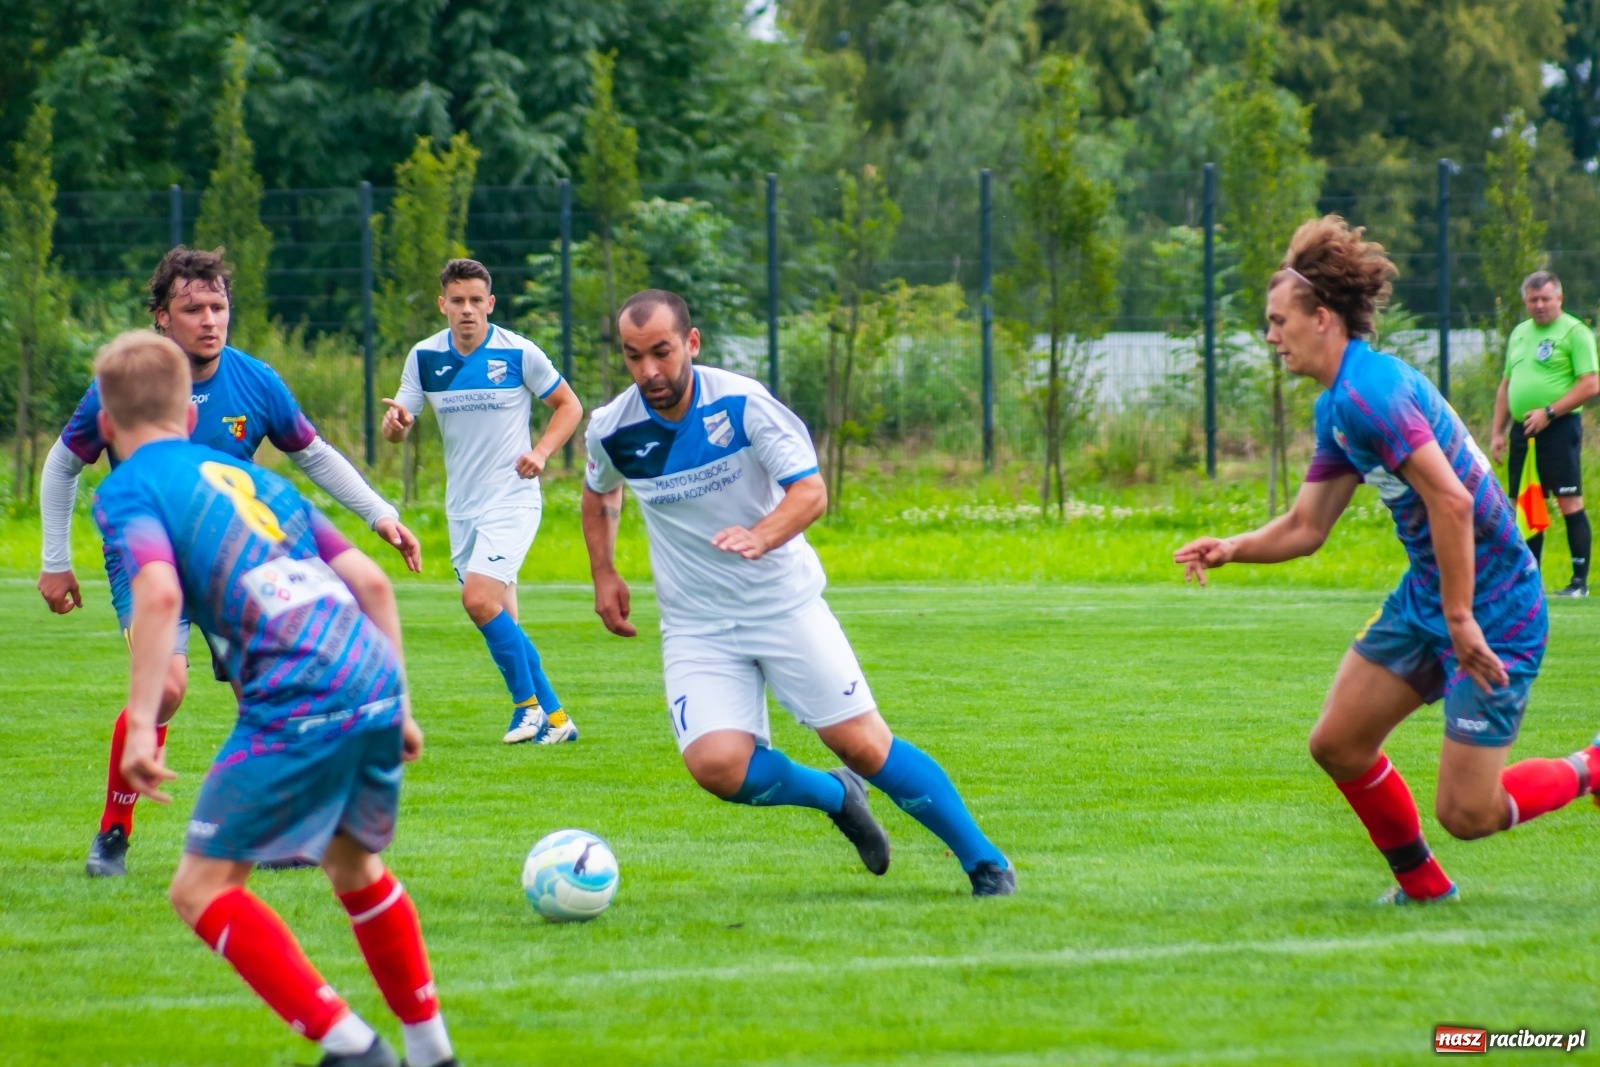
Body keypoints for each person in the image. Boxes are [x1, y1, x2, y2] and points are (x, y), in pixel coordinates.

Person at [1175, 217, 1600, 905]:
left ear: (1324, 317)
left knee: (1469, 814)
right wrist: (1233, 549)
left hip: (1494, 605)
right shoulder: (1338, 406)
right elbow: (1308, 525)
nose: (1271, 336)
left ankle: (1592, 768)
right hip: (1429, 594)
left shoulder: (1372, 392)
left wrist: (1462, 619)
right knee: (1338, 741)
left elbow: (1454, 502)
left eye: (1278, 321)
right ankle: (1423, 888)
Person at [91, 331, 454, 1067]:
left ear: (106, 424)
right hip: (369, 673)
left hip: (292, 695)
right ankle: (431, 1051)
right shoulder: (258, 480)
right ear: (188, 417)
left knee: (199, 888)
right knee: (354, 866)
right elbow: (374, 583)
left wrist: (139, 732)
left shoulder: (128, 486)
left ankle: (352, 1046)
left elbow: (158, 593)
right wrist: (403, 706)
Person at [581, 289, 1013, 897]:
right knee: (716, 768)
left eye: (662, 352)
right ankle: (836, 796)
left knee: (863, 744)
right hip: (696, 624)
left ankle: (985, 862)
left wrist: (761, 536)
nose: (649, 371)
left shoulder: (742, 404)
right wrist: (605, 573)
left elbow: (810, 492)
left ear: (692, 343)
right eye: (633, 356)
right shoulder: (612, 428)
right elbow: (600, 494)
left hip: (782, 607)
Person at [39, 247, 421, 879]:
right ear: (163, 318)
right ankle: (114, 831)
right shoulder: (134, 383)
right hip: (149, 557)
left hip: (237, 557)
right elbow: (61, 462)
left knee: (268, 686)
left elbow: (314, 454)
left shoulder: (255, 379)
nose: (210, 320)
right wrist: (56, 560)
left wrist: (379, 512)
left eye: (219, 306)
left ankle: (277, 831)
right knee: (166, 688)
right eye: (193, 309)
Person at [382, 258, 582, 745]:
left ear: (490, 304)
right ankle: (557, 722)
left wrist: (541, 452)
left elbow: (569, 406)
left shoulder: (518, 353)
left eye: (476, 301)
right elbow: (400, 423)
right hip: (462, 508)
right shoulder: (425, 358)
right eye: (458, 301)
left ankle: (526, 708)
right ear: (443, 305)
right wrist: (396, 428)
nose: (467, 310)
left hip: (511, 499)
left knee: (477, 600)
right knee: (502, 619)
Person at [1490, 270, 1600, 596]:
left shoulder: (1575, 332)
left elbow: (1591, 384)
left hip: (1559, 427)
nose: (1539, 305)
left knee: (1569, 501)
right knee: (1524, 504)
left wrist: (1550, 412)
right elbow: (1507, 384)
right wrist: (1498, 431)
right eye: (1533, 300)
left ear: (1559, 299)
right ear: (1526, 301)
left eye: (1545, 299)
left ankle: (1579, 582)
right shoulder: (1520, 334)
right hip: (1523, 430)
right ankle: (1529, 581)